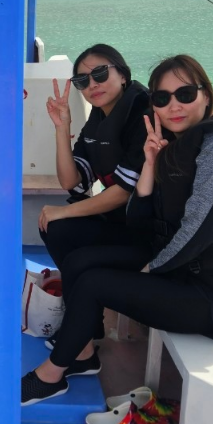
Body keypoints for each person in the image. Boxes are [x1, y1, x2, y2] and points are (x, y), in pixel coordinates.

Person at [21, 55, 213, 405]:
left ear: (206, 96)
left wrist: (150, 271)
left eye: (185, 94)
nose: (174, 106)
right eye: (162, 98)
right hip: (181, 270)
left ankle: (50, 375)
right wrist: (151, 165)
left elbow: (199, 228)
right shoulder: (171, 144)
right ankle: (80, 354)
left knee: (93, 283)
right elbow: (139, 220)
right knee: (78, 264)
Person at [38, 43, 151, 351]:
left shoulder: (143, 116)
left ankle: (80, 333)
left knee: (77, 259)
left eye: (100, 74)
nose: (92, 84)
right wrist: (62, 128)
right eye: (82, 80)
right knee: (53, 227)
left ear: (123, 75)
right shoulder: (98, 120)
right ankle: (88, 323)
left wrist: (63, 211)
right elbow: (72, 182)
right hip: (120, 225)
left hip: (148, 235)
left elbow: (123, 192)